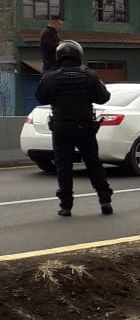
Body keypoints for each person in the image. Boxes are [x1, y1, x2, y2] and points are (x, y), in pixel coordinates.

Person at [35, 40, 114, 217]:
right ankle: (105, 200)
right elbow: (104, 98)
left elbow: (40, 97)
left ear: (58, 57)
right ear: (79, 55)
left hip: (61, 127)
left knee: (63, 167)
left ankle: (66, 206)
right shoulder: (90, 75)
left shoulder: (51, 76)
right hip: (85, 126)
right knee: (93, 164)